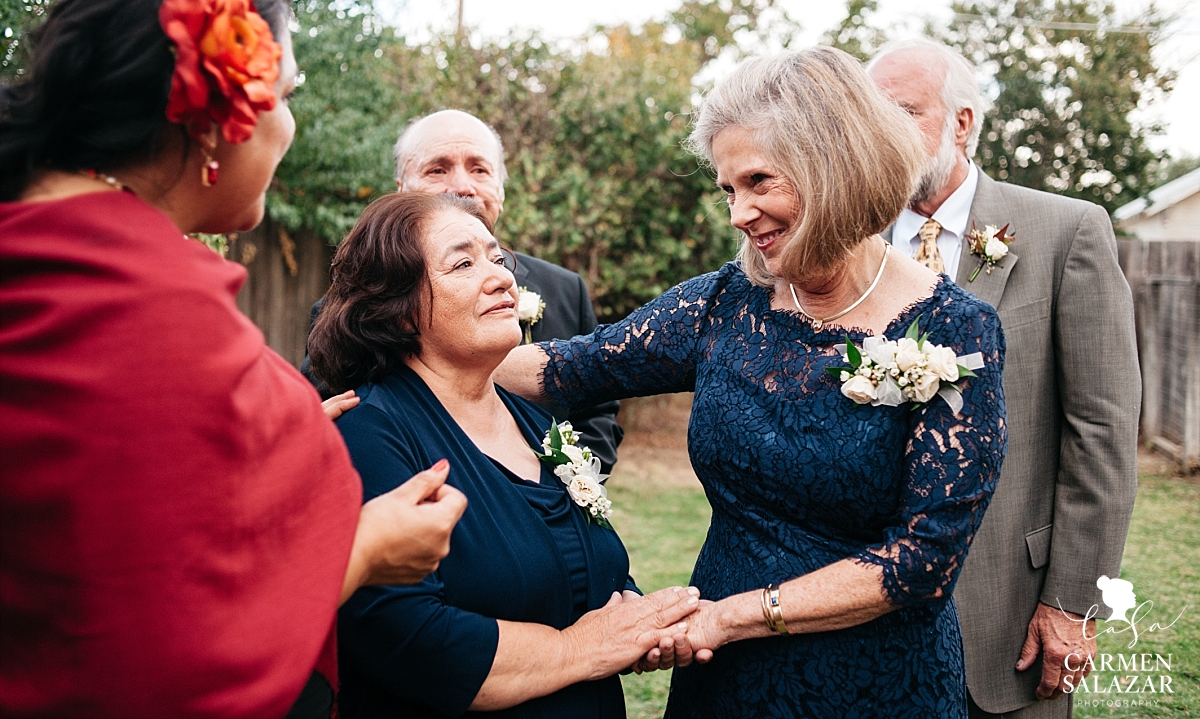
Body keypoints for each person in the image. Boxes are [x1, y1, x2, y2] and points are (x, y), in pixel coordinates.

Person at [0, 0, 466, 718]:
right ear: (219, 117)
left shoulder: (44, 246)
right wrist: (364, 548)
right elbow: (164, 649)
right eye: (286, 97)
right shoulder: (143, 307)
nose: (290, 127)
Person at [496, 47, 1009, 718]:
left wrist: (731, 618)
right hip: (726, 683)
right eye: (728, 190)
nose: (739, 212)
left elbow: (923, 561)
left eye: (760, 182)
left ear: (834, 167)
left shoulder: (956, 330)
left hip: (876, 685)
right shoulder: (723, 304)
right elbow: (566, 370)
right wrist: (409, 341)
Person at [306, 191, 700, 718]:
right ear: (398, 312)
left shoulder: (535, 423)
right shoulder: (368, 433)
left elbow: (587, 569)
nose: (501, 278)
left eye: (497, 258)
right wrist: (582, 649)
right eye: (463, 264)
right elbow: (406, 637)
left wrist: (636, 615)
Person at [866, 38, 1139, 719]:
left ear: (961, 123)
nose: (882, 134)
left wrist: (1072, 601)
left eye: (904, 113)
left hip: (1008, 611)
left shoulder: (1067, 231)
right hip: (859, 613)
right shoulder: (847, 242)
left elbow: (1101, 432)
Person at [302, 109, 623, 472]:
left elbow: (597, 410)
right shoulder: (354, 311)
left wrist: (571, 485)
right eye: (437, 169)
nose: (462, 186)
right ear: (401, 190)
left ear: (500, 188)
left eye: (479, 169)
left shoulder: (566, 289)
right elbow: (338, 423)